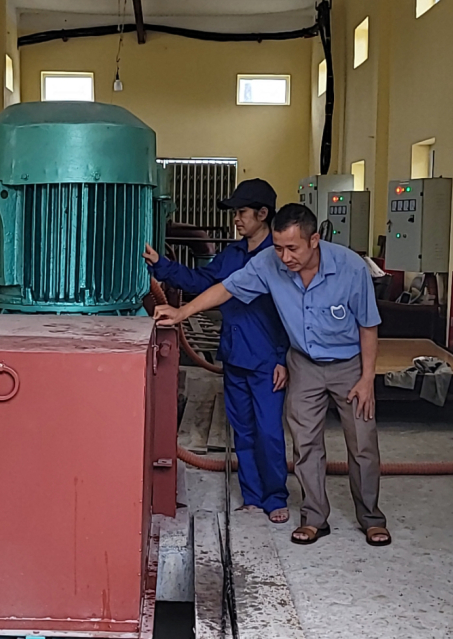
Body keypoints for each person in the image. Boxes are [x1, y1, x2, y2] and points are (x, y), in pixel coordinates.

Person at [153, 203, 391, 547]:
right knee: (305, 444)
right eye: (279, 247)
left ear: (314, 240)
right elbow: (227, 288)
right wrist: (182, 312)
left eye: (292, 248)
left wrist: (367, 379)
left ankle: (371, 518)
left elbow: (368, 326)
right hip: (304, 363)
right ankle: (314, 518)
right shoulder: (269, 262)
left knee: (362, 444)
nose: (285, 257)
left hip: (348, 365)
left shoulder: (350, 268)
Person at [145, 178, 291, 524]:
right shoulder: (233, 255)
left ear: (263, 214)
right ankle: (252, 497)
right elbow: (202, 282)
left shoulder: (281, 256)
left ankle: (275, 497)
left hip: (267, 359)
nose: (236, 219)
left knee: (269, 431)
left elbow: (294, 312)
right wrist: (161, 264)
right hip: (235, 355)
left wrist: (283, 358)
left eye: (242, 212)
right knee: (242, 430)